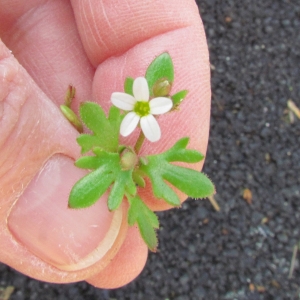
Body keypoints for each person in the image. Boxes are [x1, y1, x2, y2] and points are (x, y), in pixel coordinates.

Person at [0, 0, 211, 289]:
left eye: (145, 107)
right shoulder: (134, 113)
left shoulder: (140, 115)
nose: (142, 108)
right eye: (140, 106)